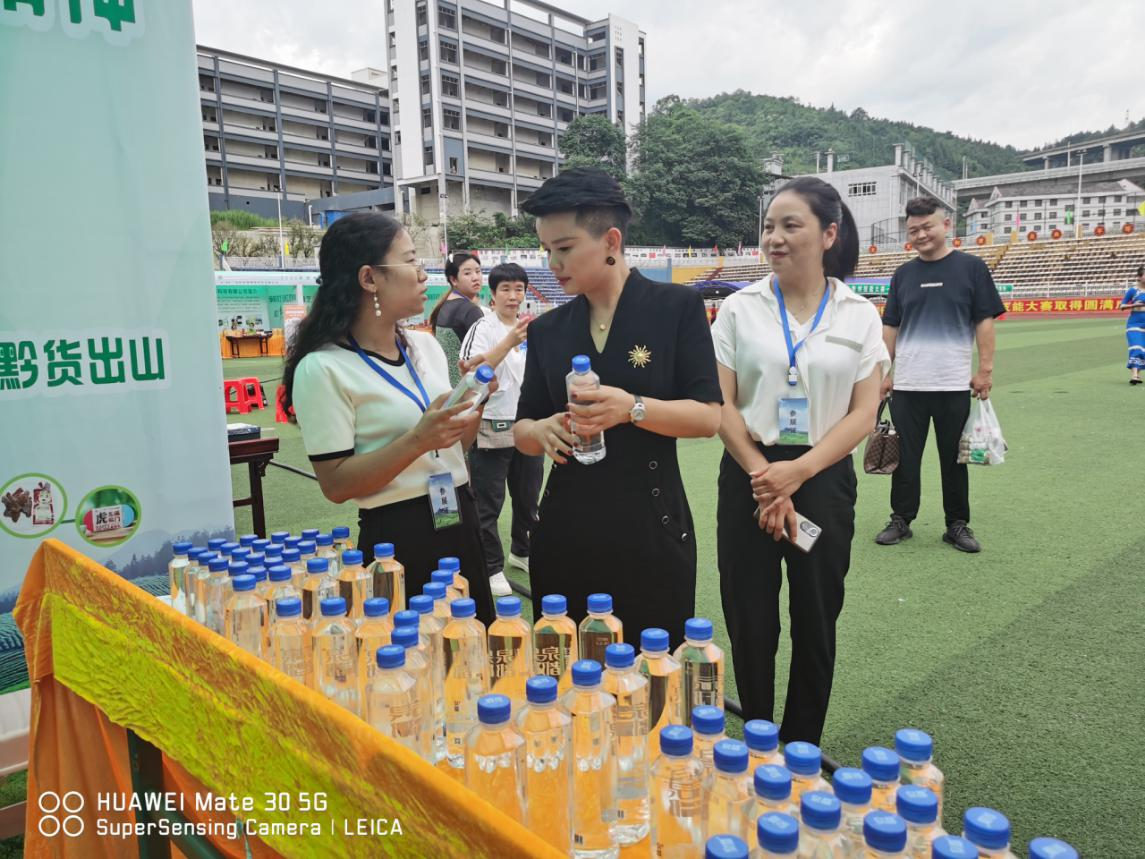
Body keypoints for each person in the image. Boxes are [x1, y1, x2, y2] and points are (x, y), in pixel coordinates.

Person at [513, 168, 723, 645]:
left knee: (652, 678)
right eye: (546, 250)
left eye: (563, 249)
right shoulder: (548, 330)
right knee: (568, 678)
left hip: (651, 525)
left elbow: (708, 417)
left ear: (611, 240)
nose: (552, 263)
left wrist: (634, 407)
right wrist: (541, 430)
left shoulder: (675, 309)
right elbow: (522, 428)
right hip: (566, 528)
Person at [713, 176, 888, 745]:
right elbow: (721, 403)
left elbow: (864, 413)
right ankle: (759, 739)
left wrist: (800, 471)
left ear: (829, 233)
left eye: (791, 225)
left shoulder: (859, 314)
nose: (775, 238)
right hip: (748, 475)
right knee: (750, 618)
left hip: (822, 478)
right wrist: (766, 475)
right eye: (769, 226)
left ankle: (802, 748)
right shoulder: (739, 309)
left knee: (816, 620)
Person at [282, 213, 495, 623]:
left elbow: (455, 447)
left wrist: (475, 402)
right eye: (411, 261)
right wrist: (418, 439)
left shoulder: (425, 346)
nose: (423, 274)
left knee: (473, 654)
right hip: (398, 539)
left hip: (459, 517)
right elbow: (337, 483)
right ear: (369, 278)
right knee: (414, 665)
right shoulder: (323, 368)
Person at [875, 197, 1006, 554]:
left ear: (946, 225)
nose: (920, 235)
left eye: (927, 226)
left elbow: (984, 321)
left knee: (954, 459)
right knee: (905, 460)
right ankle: (901, 519)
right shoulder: (904, 274)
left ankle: (957, 524)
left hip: (953, 384)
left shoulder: (972, 268)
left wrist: (985, 369)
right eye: (913, 230)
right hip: (908, 385)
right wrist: (884, 373)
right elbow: (892, 326)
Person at [459, 263, 543, 597]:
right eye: (505, 289)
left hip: (526, 426)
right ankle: (491, 566)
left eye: (518, 289)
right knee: (488, 503)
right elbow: (472, 371)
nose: (513, 296)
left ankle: (521, 551)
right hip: (491, 426)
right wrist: (509, 340)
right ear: (492, 295)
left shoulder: (531, 330)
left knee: (527, 497)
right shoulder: (483, 328)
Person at [1119, 264, 1145, 384]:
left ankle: (1138, 375)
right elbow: (1122, 306)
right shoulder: (1133, 290)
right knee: (1136, 347)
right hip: (1134, 323)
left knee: (1142, 350)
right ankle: (1134, 375)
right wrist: (1135, 305)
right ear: (1139, 277)